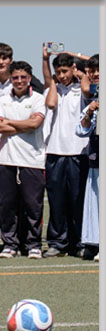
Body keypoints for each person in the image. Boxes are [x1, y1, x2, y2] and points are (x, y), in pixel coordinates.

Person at [0, 61, 47, 258]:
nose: (19, 81)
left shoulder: (38, 99)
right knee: (7, 205)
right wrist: (22, 124)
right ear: (10, 78)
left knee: (33, 205)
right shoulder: (2, 99)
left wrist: (9, 122)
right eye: (15, 77)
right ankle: (10, 244)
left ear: (29, 78)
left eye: (23, 77)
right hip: (6, 158)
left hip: (32, 159)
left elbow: (35, 124)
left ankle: (33, 244)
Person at [42, 49, 90, 257]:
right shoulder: (53, 90)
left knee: (78, 200)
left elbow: (89, 88)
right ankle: (58, 242)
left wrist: (80, 71)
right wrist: (53, 81)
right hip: (55, 152)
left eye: (65, 71)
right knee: (57, 201)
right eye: (58, 72)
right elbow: (51, 103)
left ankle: (80, 242)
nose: (62, 76)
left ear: (73, 69)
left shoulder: (84, 89)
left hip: (79, 152)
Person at [77, 56, 100, 262]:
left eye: (98, 70)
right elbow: (81, 130)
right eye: (91, 71)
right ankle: (95, 244)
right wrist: (90, 112)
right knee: (95, 205)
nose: (94, 74)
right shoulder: (94, 99)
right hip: (96, 160)